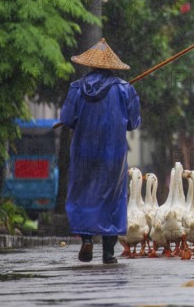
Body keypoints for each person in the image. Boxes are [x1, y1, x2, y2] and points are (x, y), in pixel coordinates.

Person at [60, 38, 141, 263]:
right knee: (112, 198)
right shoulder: (125, 89)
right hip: (112, 154)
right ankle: (108, 252)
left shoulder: (76, 88)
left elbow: (67, 119)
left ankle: (86, 239)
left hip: (84, 152)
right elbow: (134, 123)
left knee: (84, 194)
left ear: (90, 65)